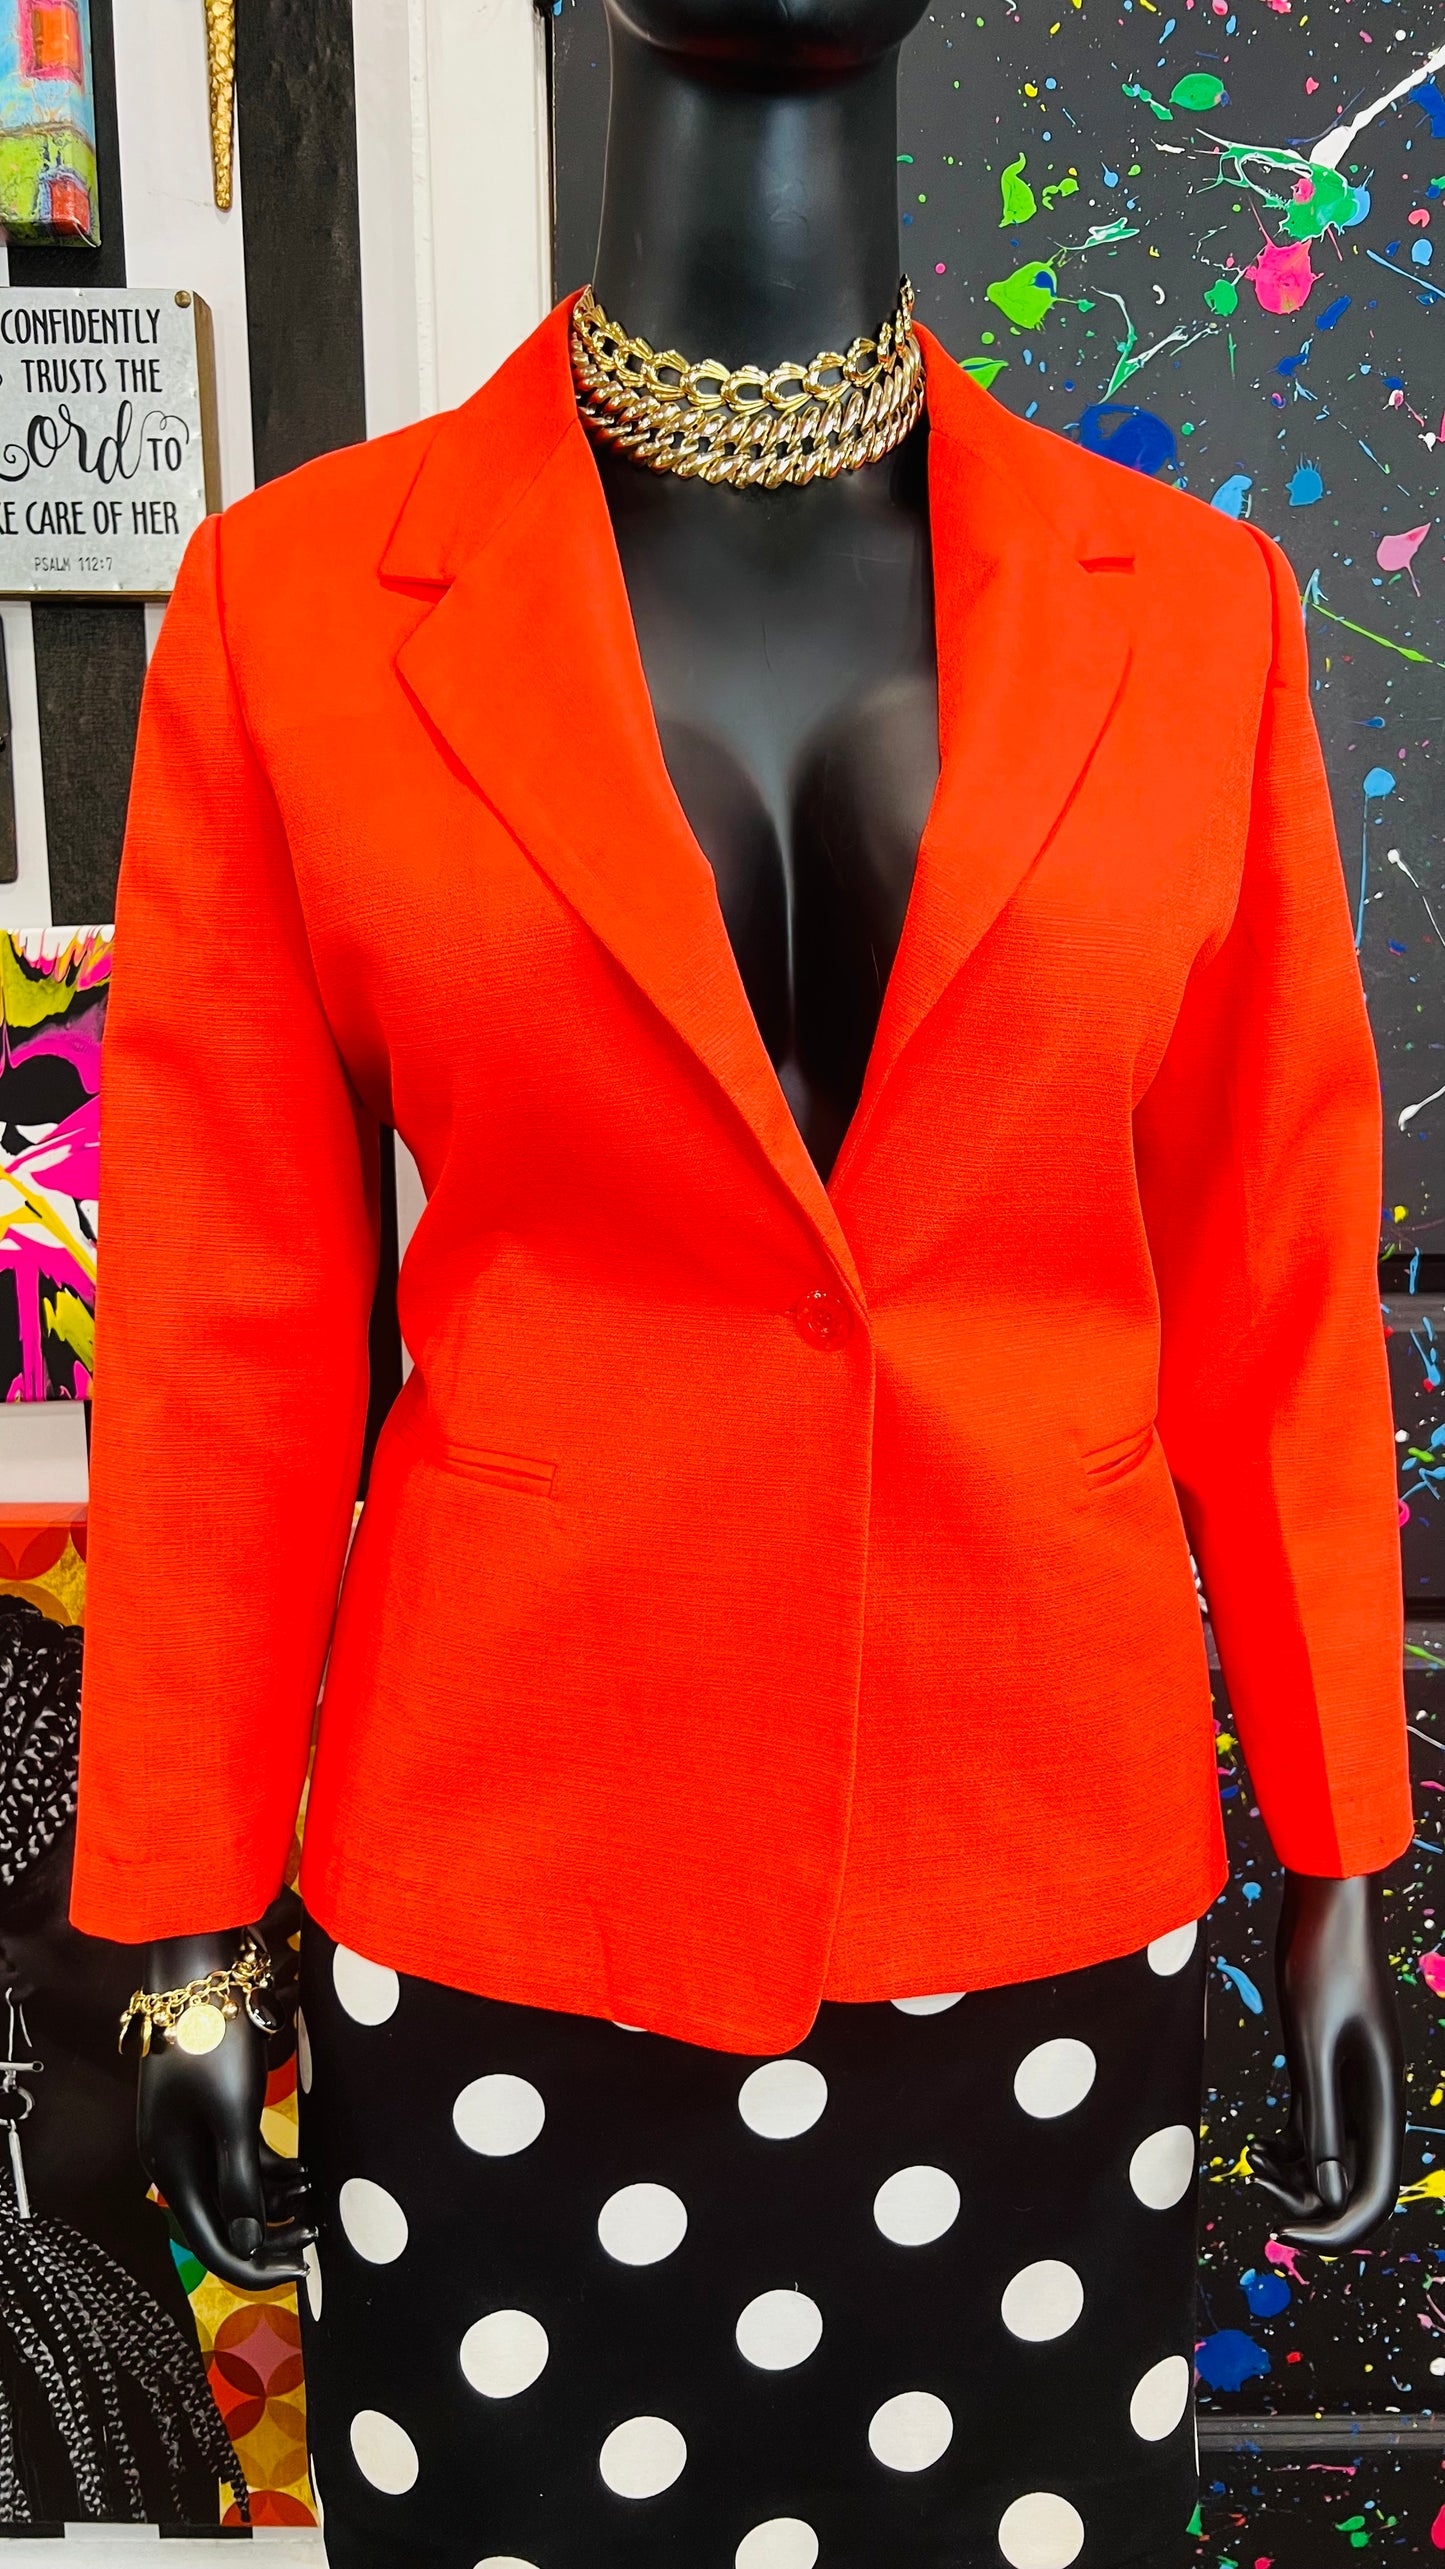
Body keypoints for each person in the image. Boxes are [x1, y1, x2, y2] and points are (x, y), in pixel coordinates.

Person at [71, 0, 1410, 2559]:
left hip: (1039, 1880)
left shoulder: (1197, 614)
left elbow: (1273, 1282)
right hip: (510, 1893)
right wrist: (184, 1931)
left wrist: (1347, 1846)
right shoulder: (293, 610)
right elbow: (229, 1337)